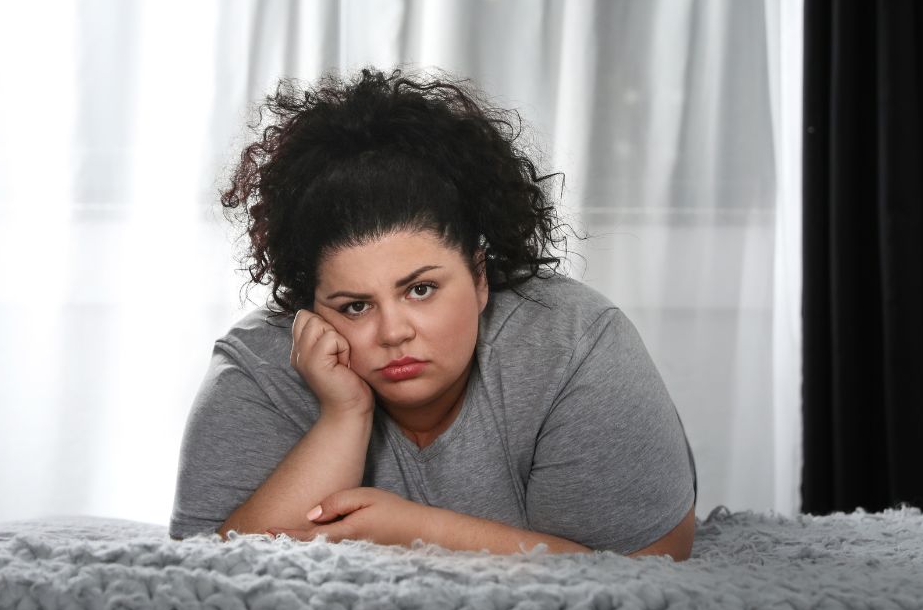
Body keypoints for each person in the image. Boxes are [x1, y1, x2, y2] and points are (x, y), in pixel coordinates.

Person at [170, 68, 697, 558]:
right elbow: (208, 582)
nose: (394, 332)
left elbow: (648, 569)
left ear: (480, 276)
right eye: (355, 306)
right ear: (309, 309)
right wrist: (342, 418)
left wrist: (417, 530)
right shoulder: (259, 368)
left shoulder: (576, 346)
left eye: (420, 290)